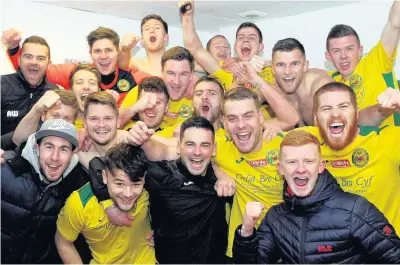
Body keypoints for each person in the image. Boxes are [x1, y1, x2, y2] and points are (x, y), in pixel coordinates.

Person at [233, 130, 400, 263]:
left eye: (308, 161)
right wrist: (247, 230)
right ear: (280, 168)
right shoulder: (275, 218)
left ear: (320, 166)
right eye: (292, 162)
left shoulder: (355, 209)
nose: (300, 169)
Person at [90, 117, 232, 263]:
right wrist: (108, 203)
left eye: (204, 145)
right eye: (190, 144)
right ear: (178, 147)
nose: (197, 152)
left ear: (213, 149)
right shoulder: (162, 174)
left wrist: (223, 176)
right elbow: (98, 164)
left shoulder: (224, 181)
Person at [1, 119, 88, 263]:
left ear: (72, 154)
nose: (55, 157)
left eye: (64, 149)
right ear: (37, 147)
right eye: (49, 147)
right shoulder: (5, 168)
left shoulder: (78, 189)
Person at [55, 144, 155, 264]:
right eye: (119, 184)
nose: (128, 194)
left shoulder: (150, 187)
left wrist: (162, 232)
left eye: (136, 185)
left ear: (144, 178)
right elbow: (63, 243)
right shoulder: (79, 202)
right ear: (104, 177)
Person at [2, 27, 150, 106]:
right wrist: (15, 49)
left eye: (109, 51)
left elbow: (165, 85)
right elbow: (33, 71)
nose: (103, 56)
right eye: (97, 51)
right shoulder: (77, 72)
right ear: (90, 53)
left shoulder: (133, 77)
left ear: (117, 52)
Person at [325, 1, 400, 126]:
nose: (343, 56)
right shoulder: (329, 81)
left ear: (360, 51)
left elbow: (395, 23)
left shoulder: (375, 62)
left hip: (390, 141)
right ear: (328, 56)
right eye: (336, 51)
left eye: (349, 49)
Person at [118, 14, 197, 98]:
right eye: (147, 29)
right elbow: (120, 66)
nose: (152, 31)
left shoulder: (181, 64)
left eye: (157, 28)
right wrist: (124, 49)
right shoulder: (135, 63)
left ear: (165, 38)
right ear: (142, 40)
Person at [120, 46, 196, 129]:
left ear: (191, 75)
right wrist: (134, 108)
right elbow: (114, 124)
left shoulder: (196, 101)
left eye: (183, 74)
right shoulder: (145, 90)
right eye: (171, 73)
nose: (176, 81)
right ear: (162, 72)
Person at [263, 38, 333, 126]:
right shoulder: (272, 90)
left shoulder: (321, 87)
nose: (287, 71)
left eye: (294, 64)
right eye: (281, 65)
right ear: (273, 69)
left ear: (305, 66)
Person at [1, 35, 58, 135]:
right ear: (19, 60)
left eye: (40, 58)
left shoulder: (55, 92)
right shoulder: (2, 85)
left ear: (49, 64)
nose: (34, 62)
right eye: (28, 56)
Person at [11, 89, 79, 147]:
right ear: (43, 116)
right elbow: (19, 142)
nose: (60, 122)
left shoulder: (79, 143)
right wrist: (36, 110)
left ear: (74, 122)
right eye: (55, 116)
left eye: (67, 118)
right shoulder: (29, 133)